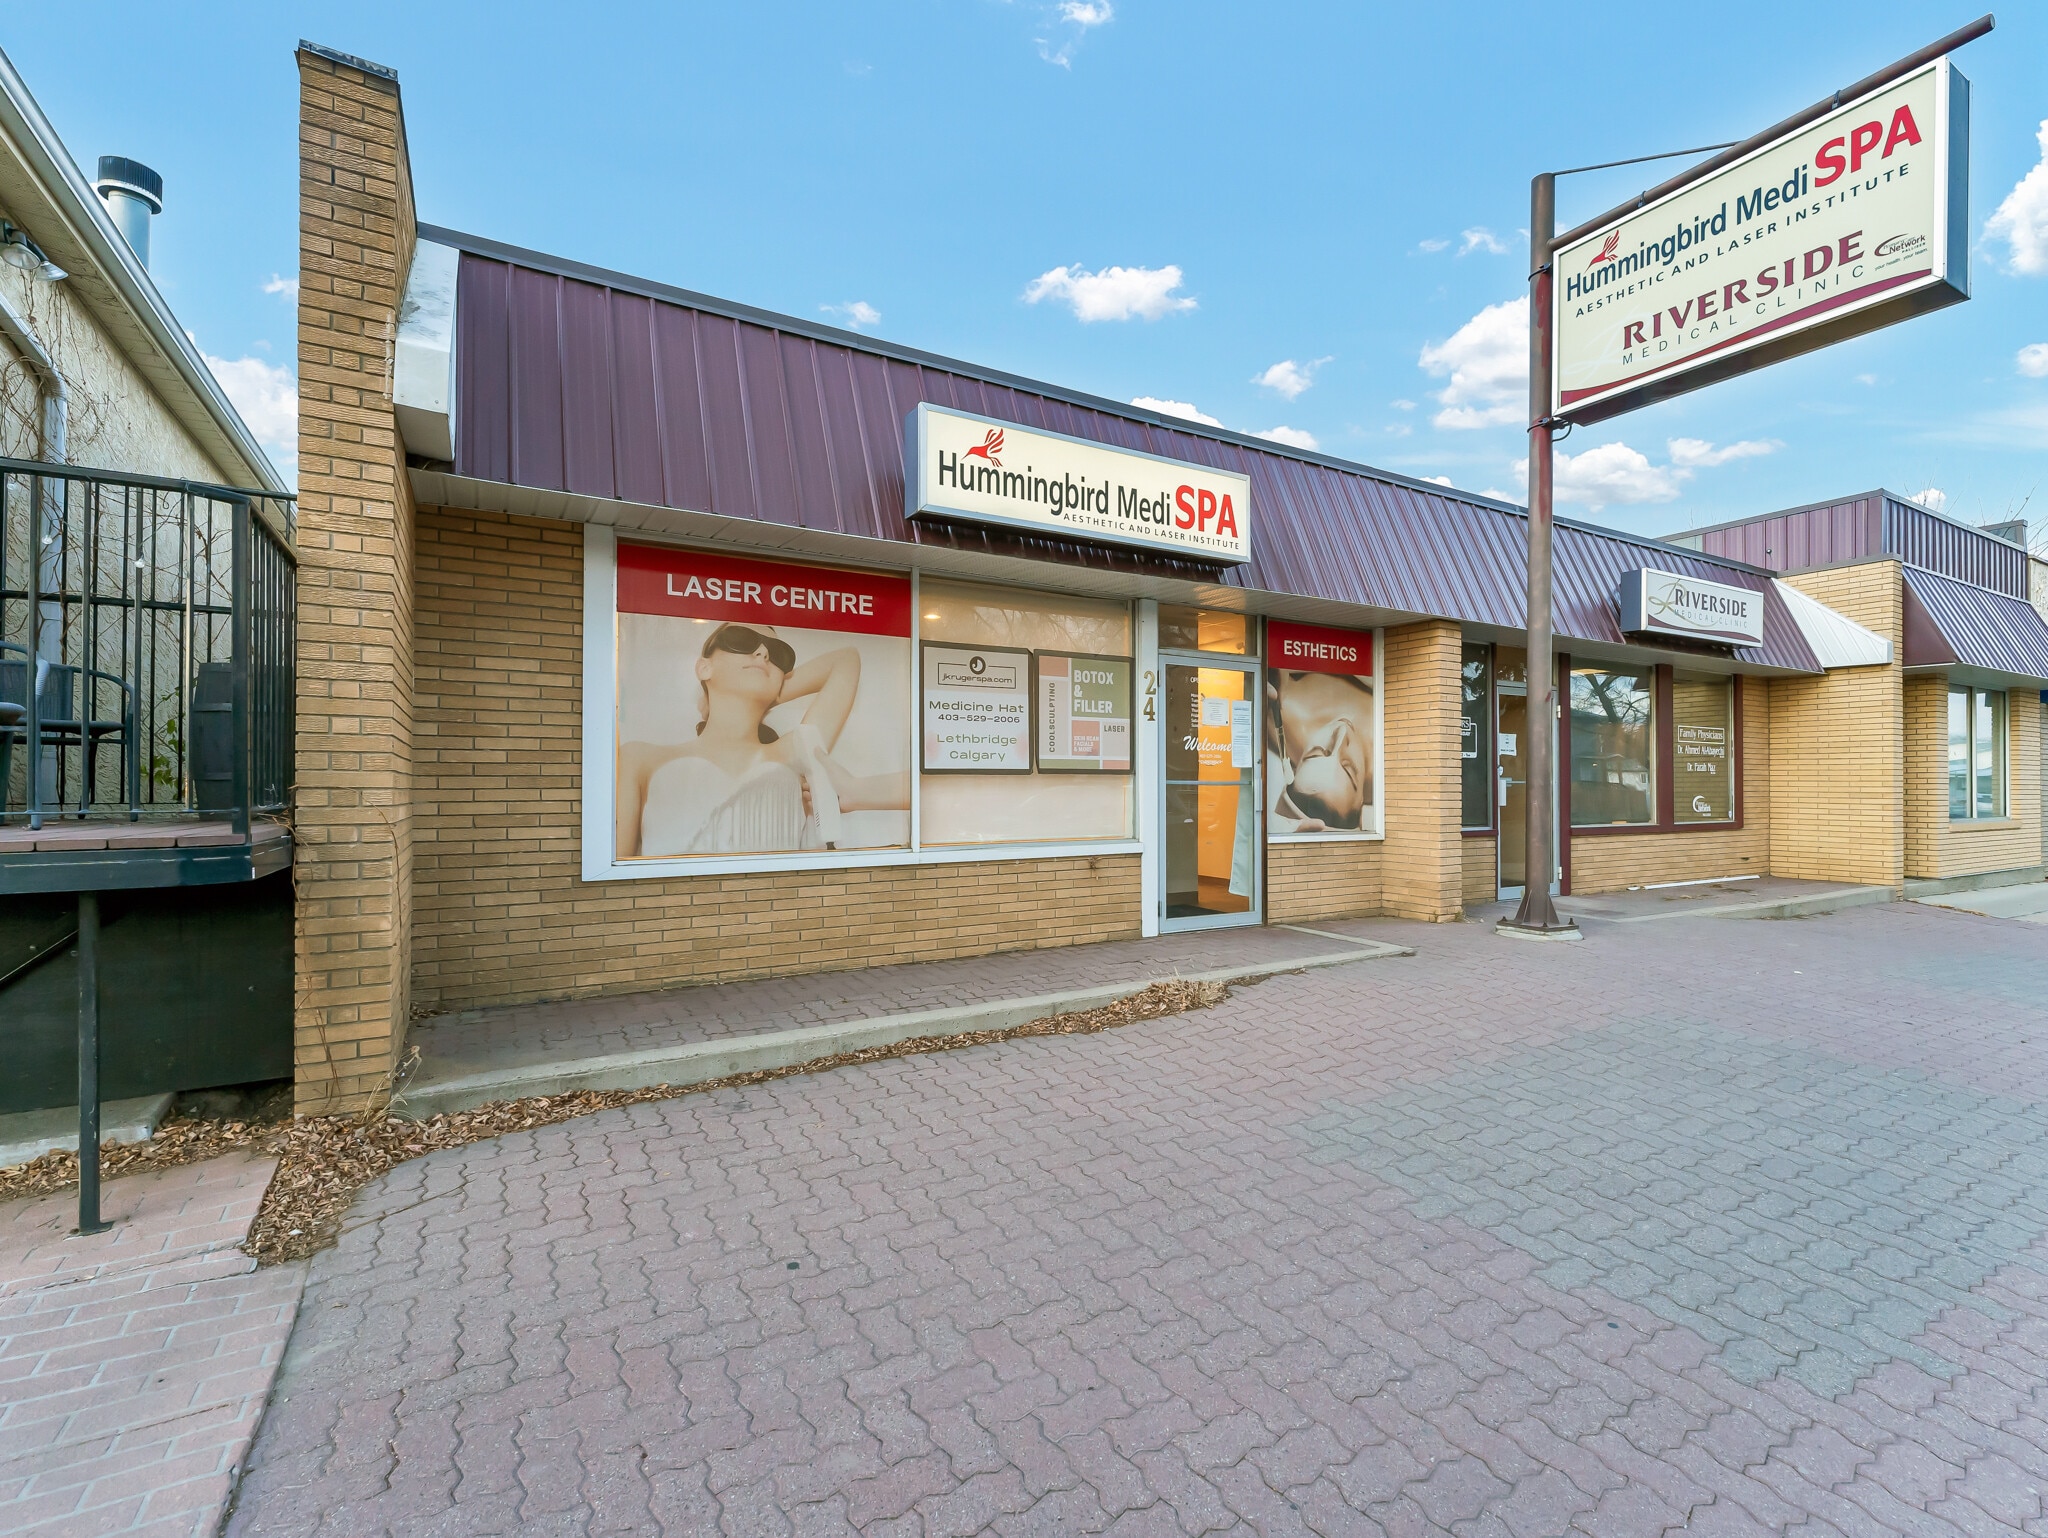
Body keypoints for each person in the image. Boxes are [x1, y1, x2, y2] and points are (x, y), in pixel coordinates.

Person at [618, 623, 908, 857]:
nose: (762, 653)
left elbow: (845, 659)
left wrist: (770, 688)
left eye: (777, 654)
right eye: (741, 639)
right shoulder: (640, 757)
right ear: (704, 667)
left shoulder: (792, 751)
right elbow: (615, 866)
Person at [1265, 669, 1374, 832]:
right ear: (1362, 801)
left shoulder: (1282, 712)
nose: (1340, 734)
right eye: (1349, 769)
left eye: (1317, 752)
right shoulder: (1393, 768)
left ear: (1296, 766)